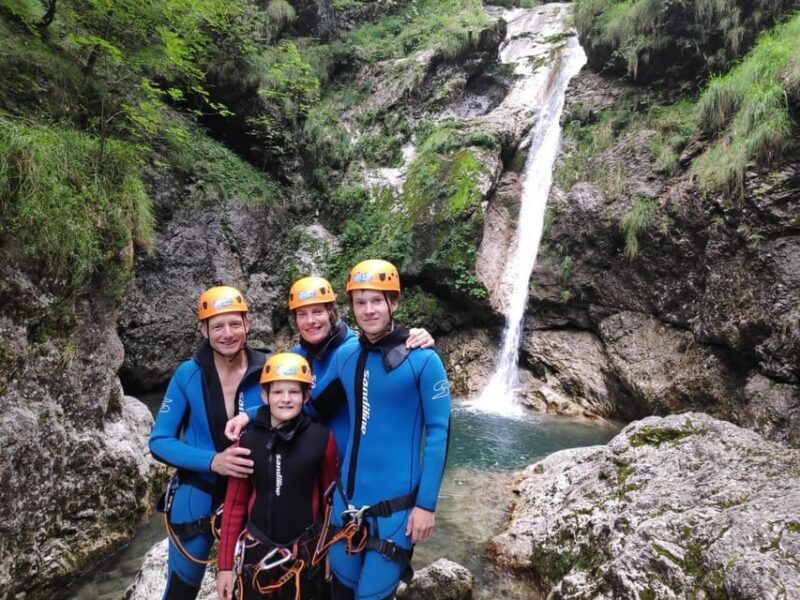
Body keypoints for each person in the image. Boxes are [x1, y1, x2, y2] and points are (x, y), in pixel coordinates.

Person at [326, 259, 451, 600]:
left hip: (395, 513)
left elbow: (439, 434)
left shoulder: (423, 359)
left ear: (393, 302)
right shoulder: (346, 355)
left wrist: (426, 506)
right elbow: (305, 404)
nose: (368, 310)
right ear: (351, 307)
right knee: (339, 593)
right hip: (345, 506)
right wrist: (252, 416)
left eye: (377, 300)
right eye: (360, 302)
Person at [224, 276, 434, 464]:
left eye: (317, 312)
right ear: (295, 321)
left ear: (331, 313)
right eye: (302, 314)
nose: (311, 321)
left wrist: (410, 336)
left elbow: (384, 348)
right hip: (311, 463)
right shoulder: (295, 358)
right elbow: (290, 404)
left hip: (353, 466)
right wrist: (248, 416)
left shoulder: (354, 351)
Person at [149, 286, 268, 599]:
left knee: (258, 589)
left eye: (234, 324)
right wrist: (214, 461)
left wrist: (253, 414)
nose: (227, 334)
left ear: (248, 323)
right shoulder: (188, 374)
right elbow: (160, 440)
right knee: (180, 590)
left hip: (257, 494)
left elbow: (302, 403)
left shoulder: (269, 369)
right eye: (217, 326)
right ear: (203, 329)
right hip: (199, 491)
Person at [216, 352, 338, 600]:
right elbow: (235, 503)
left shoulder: (321, 439)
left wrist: (330, 552)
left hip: (305, 553)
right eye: (277, 392)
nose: (285, 399)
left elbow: (330, 502)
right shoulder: (247, 440)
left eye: (294, 392)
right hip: (256, 551)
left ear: (305, 396)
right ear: (264, 396)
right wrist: (225, 567)